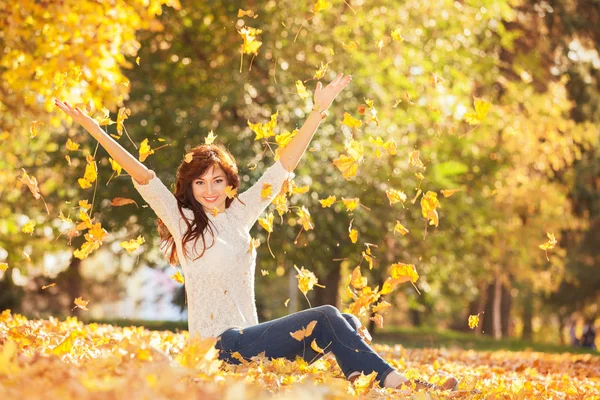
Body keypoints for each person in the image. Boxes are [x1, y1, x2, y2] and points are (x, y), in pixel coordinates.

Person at [54, 72, 458, 392]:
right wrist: (92, 127)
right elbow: (140, 173)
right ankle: (402, 386)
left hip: (253, 348)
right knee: (332, 316)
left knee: (346, 321)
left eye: (216, 181)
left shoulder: (240, 214)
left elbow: (282, 167)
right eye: (200, 183)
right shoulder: (182, 221)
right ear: (189, 188)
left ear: (230, 183)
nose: (209, 191)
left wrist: (318, 111)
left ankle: (372, 382)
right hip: (221, 350)